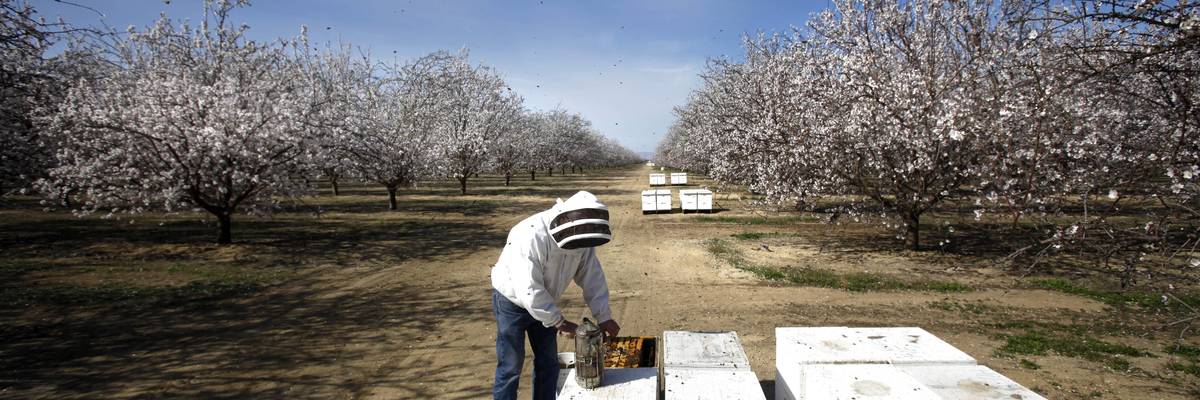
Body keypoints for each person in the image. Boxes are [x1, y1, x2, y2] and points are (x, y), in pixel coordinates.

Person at [490, 191, 621, 400]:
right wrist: (558, 322)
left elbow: (592, 277)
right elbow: (528, 288)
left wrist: (604, 316)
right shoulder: (530, 234)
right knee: (510, 366)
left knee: (548, 363)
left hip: (544, 302)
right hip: (511, 302)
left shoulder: (581, 238)